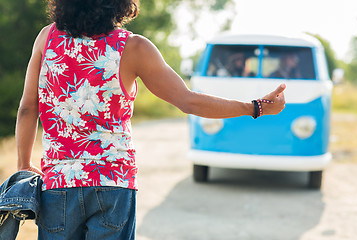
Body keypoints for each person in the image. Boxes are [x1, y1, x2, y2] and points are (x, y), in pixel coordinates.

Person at [15, 0, 286, 239]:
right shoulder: (133, 47)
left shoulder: (46, 38)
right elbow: (188, 100)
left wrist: (24, 165)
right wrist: (256, 107)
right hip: (113, 183)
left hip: (58, 184)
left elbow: (28, 108)